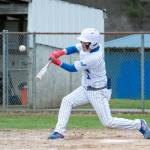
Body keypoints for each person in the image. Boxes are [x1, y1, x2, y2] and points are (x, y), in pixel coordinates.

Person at [48, 28, 150, 140]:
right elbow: (73, 48)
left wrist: (57, 62)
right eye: (82, 42)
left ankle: (140, 124)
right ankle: (59, 131)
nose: (82, 45)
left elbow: (72, 68)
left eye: (85, 43)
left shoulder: (95, 57)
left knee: (108, 122)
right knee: (67, 101)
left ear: (93, 44)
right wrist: (60, 52)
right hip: (86, 88)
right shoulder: (87, 46)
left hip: (98, 91)